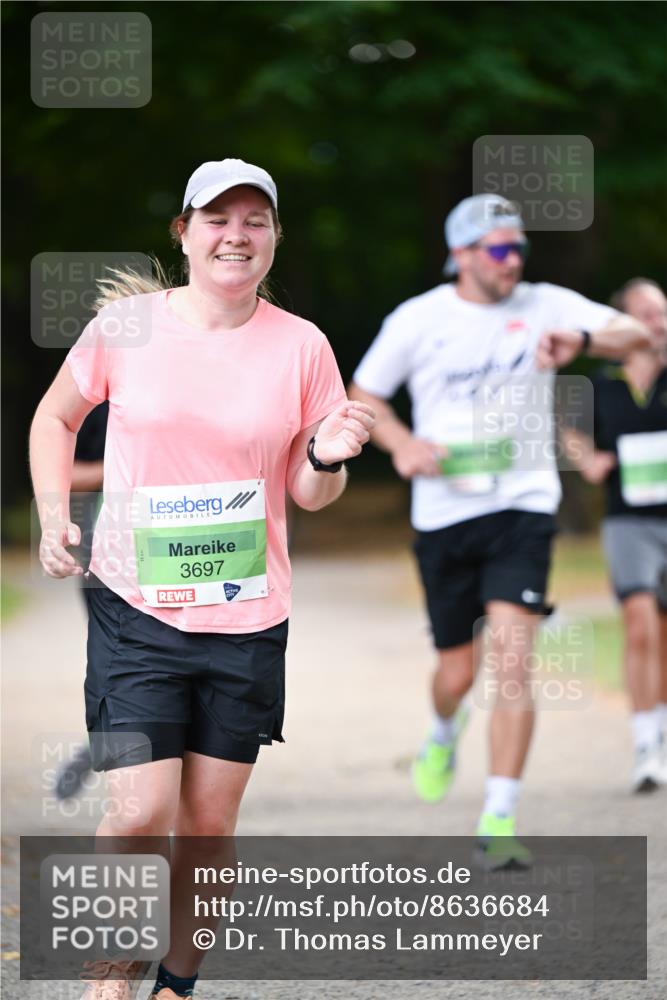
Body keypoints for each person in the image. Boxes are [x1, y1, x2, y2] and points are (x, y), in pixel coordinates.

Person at [30, 158, 375, 1000]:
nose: (237, 234)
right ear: (184, 233)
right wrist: (51, 516)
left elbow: (310, 491)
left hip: (247, 614)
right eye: (217, 219)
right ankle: (109, 981)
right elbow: (55, 416)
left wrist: (328, 455)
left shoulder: (302, 345)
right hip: (135, 605)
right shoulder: (127, 328)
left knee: (209, 822)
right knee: (139, 811)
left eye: (255, 219)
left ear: (273, 238)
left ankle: (177, 986)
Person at [349, 193, 653, 870]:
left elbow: (636, 336)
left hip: (523, 506)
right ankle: (440, 729)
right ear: (460, 254)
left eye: (518, 246)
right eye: (497, 248)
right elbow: (363, 394)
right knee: (455, 673)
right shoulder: (418, 320)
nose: (512, 259)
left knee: (513, 661)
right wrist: (400, 443)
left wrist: (579, 342)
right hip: (443, 514)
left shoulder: (545, 303)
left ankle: (498, 815)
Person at [563, 278, 667, 792]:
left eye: (663, 313)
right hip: (628, 521)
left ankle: (661, 729)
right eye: (645, 313)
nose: (658, 322)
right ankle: (646, 745)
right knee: (641, 623)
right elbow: (566, 427)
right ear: (622, 322)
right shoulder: (601, 386)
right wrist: (588, 458)